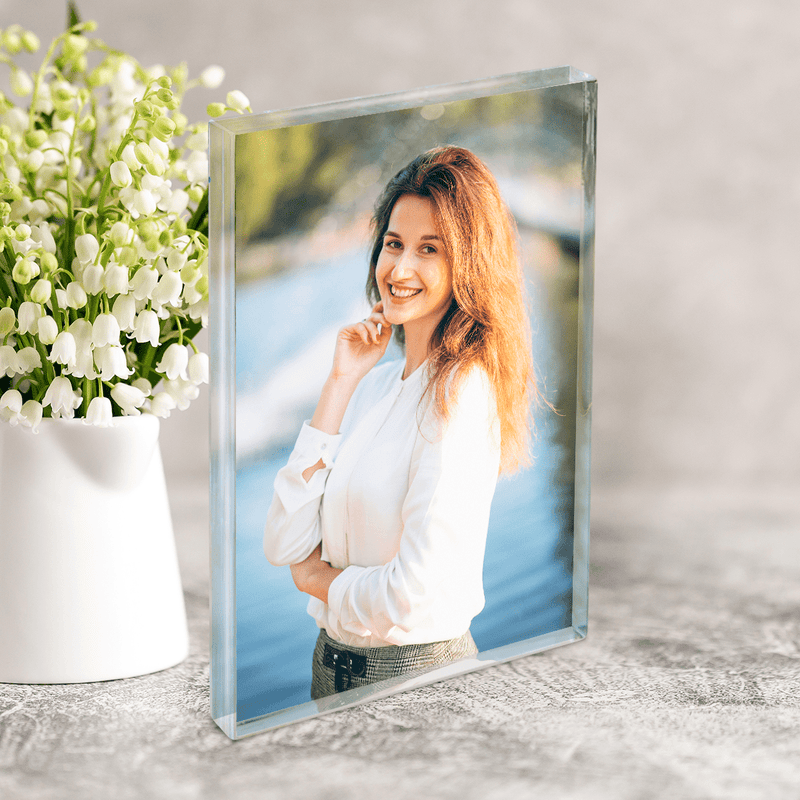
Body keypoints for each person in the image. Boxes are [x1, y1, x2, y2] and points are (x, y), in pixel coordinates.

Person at [264, 146, 535, 699]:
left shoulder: (461, 391)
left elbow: (415, 593)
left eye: (429, 250)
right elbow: (284, 539)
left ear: (470, 265)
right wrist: (339, 383)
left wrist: (322, 580)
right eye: (394, 244)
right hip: (329, 671)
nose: (400, 268)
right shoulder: (376, 388)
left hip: (415, 681)